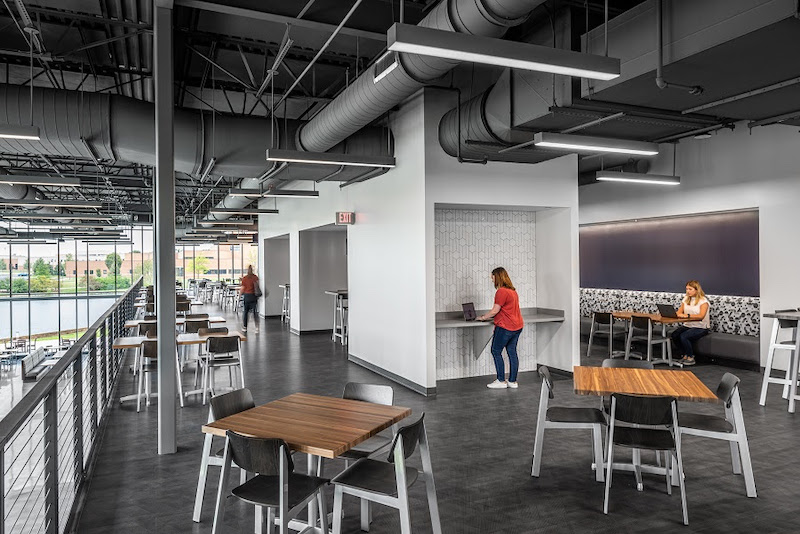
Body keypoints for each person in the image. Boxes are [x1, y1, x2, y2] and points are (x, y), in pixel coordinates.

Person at [478, 267, 524, 389]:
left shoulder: (501, 292)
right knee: (512, 352)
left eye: (492, 277)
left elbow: (495, 310)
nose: (492, 280)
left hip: (505, 327)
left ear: (497, 277)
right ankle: (512, 381)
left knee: (496, 351)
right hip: (517, 326)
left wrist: (482, 317)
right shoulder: (513, 291)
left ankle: (501, 380)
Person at [670, 280, 710, 366]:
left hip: (701, 327)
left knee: (684, 336)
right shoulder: (686, 299)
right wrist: (675, 314)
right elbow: (679, 312)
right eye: (687, 289)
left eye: (690, 289)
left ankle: (691, 357)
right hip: (688, 325)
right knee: (675, 335)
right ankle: (685, 355)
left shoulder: (703, 301)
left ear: (696, 290)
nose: (688, 291)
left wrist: (687, 316)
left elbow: (701, 316)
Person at [240, 265, 261, 333]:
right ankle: (257, 328)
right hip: (254, 296)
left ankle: (245, 327)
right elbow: (257, 286)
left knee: (246, 312)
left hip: (247, 296)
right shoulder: (255, 277)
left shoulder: (244, 278)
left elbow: (242, 289)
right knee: (255, 312)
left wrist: (240, 295)